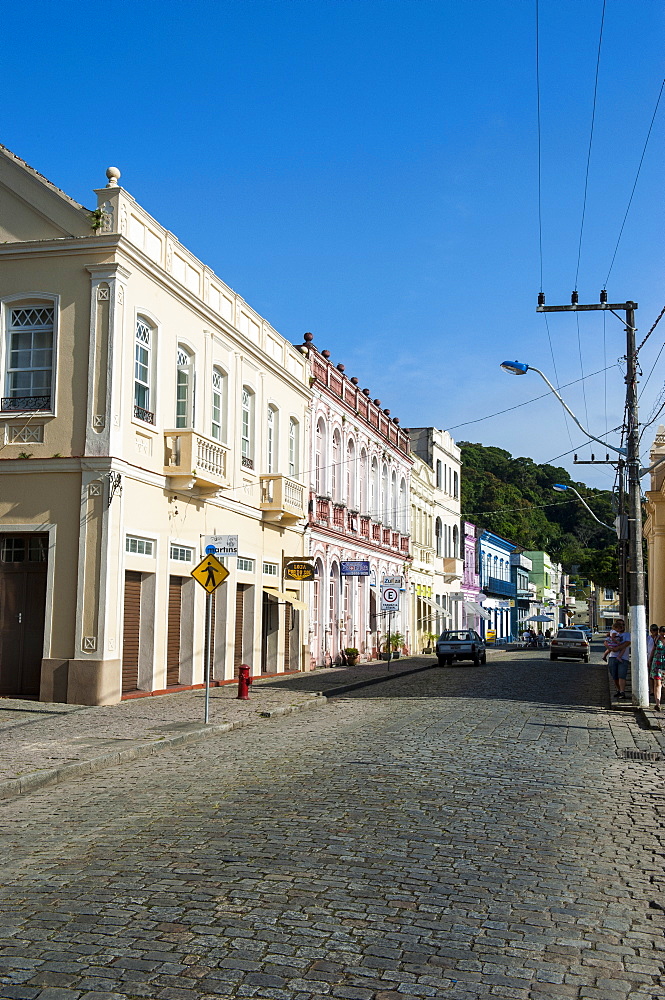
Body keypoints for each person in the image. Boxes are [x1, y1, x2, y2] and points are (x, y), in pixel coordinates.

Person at [607, 619, 630, 700]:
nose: (621, 626)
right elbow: (606, 642)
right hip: (612, 656)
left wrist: (617, 648)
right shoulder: (613, 633)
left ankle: (622, 691)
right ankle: (618, 690)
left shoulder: (627, 634)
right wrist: (609, 648)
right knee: (614, 676)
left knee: (622, 675)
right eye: (619, 625)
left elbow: (627, 643)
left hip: (623, 658)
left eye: (623, 625)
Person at [648, 626, 665, 712]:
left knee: (663, 684)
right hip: (657, 663)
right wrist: (649, 660)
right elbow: (653, 650)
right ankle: (657, 703)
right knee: (657, 683)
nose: (663, 633)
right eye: (662, 631)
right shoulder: (657, 639)